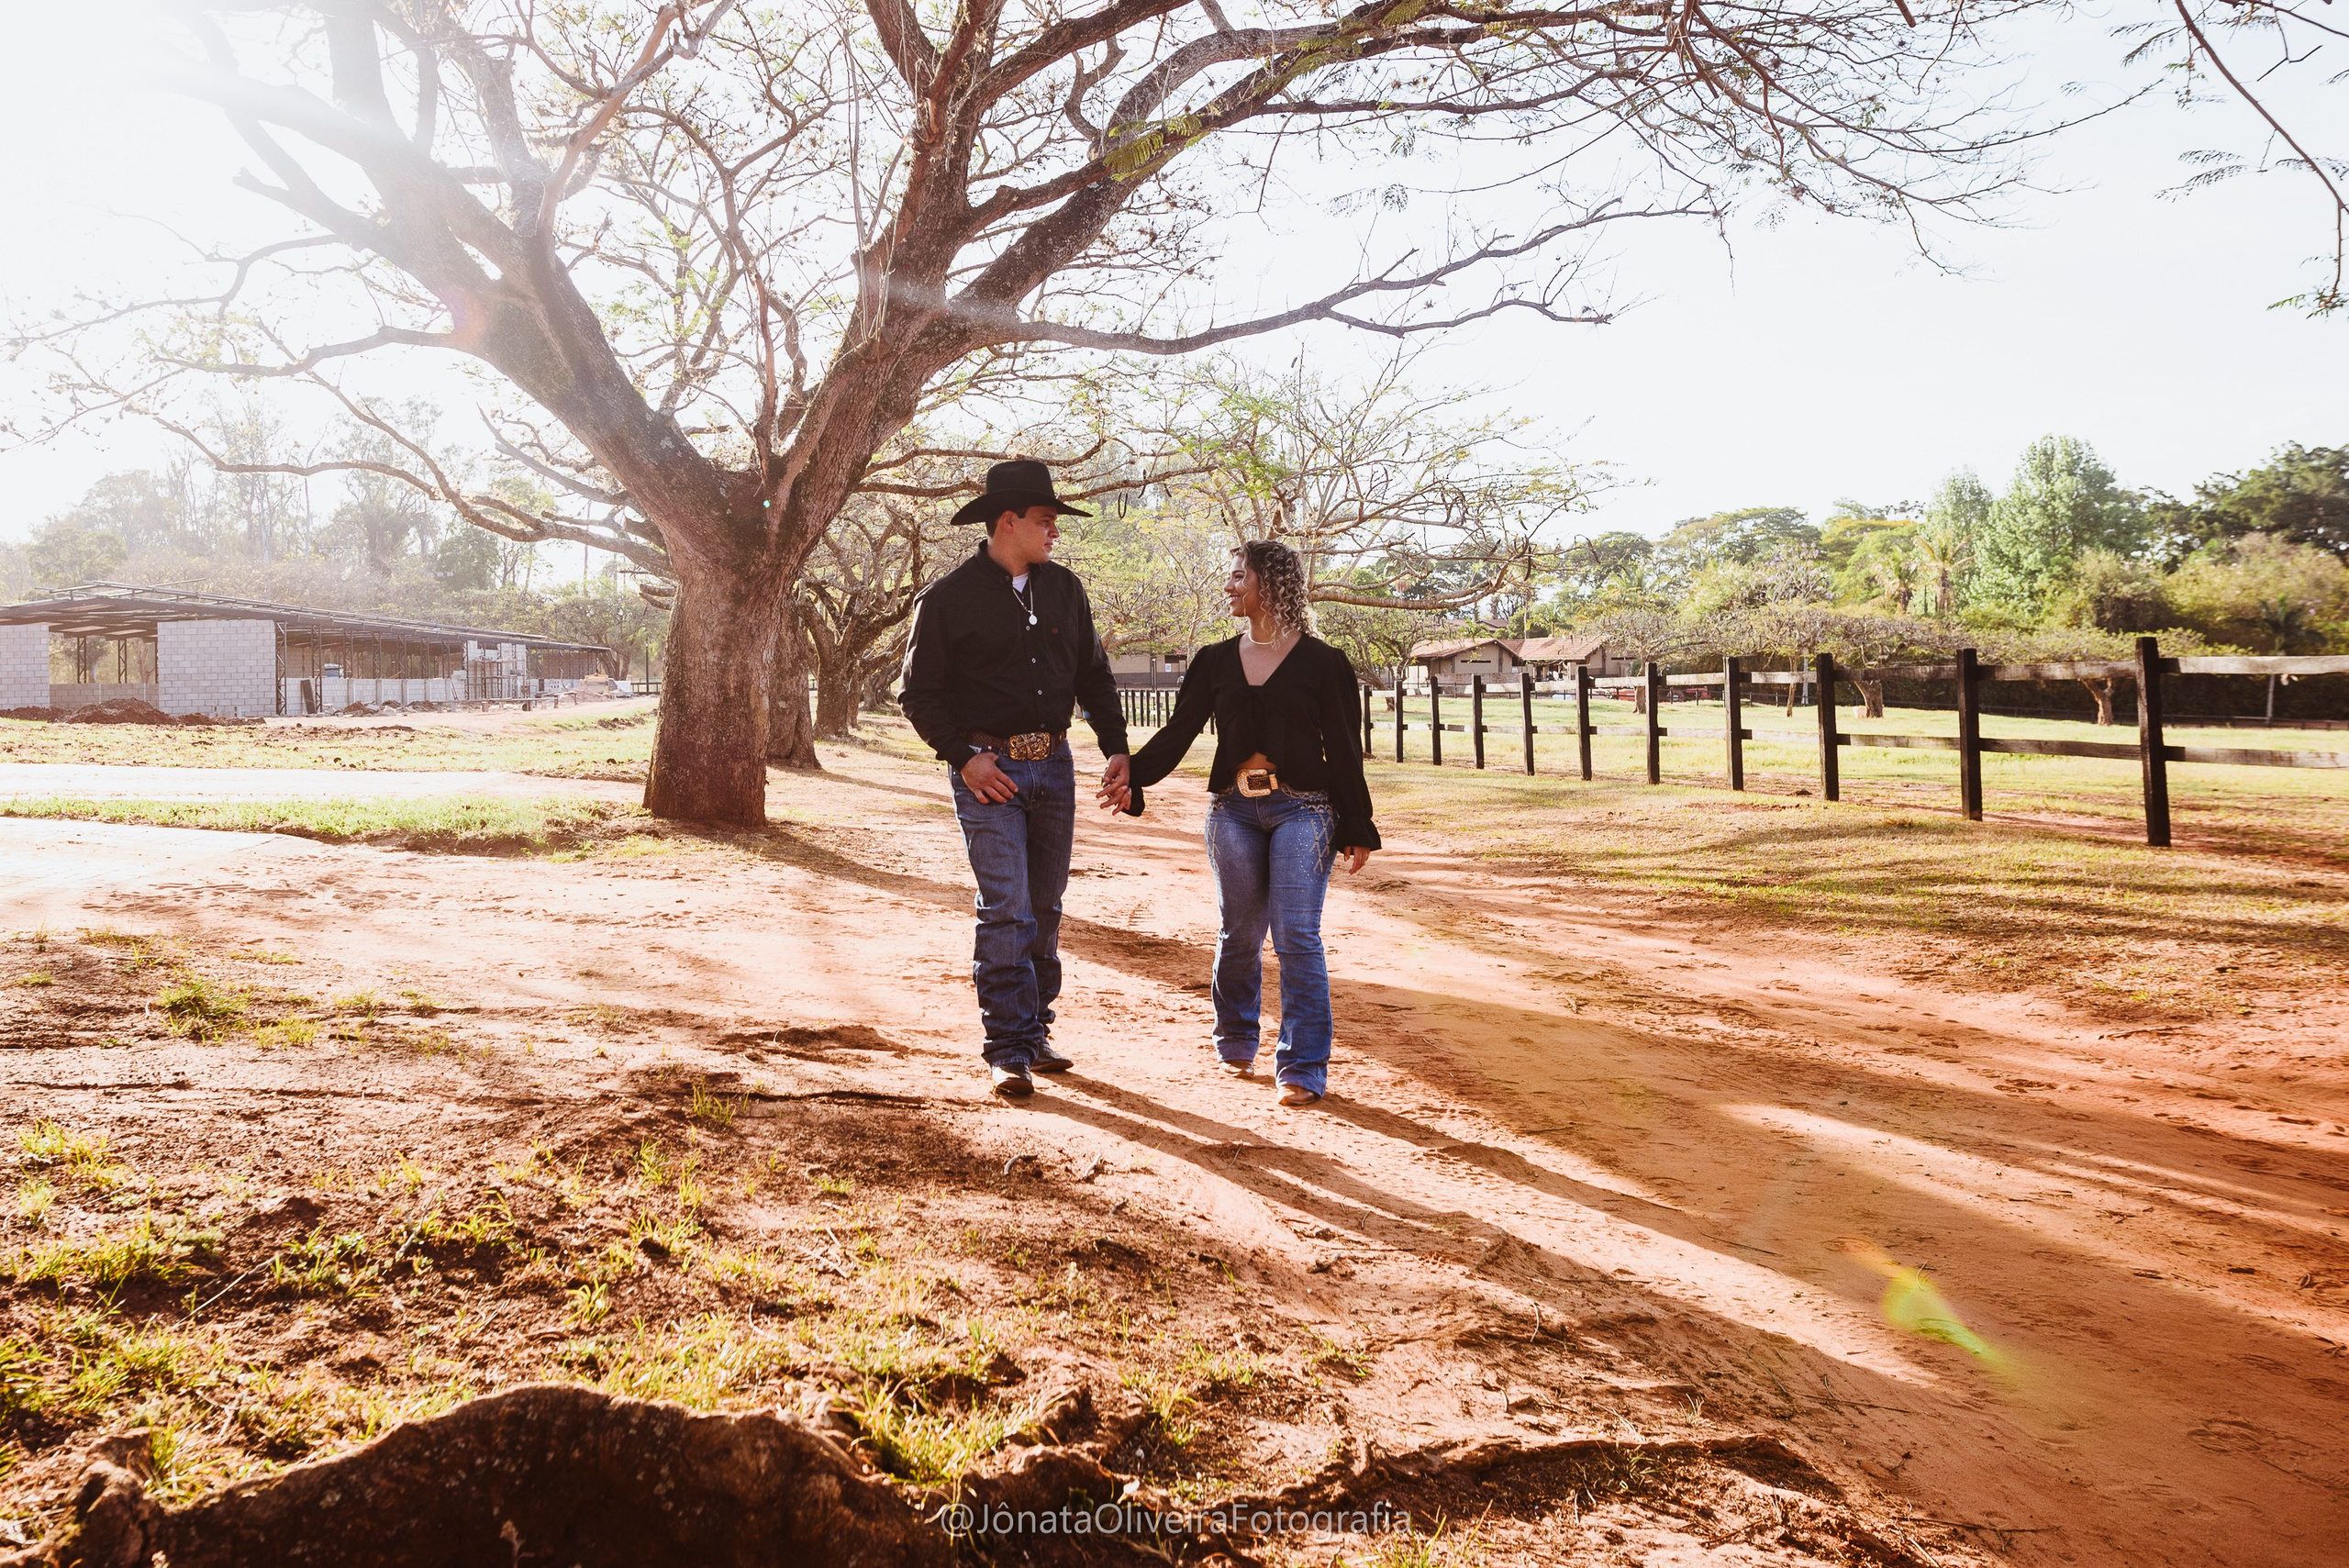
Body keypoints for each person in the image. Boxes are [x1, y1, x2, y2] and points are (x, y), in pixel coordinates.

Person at [900, 460, 1134, 1100]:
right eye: (1045, 520)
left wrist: (1117, 748)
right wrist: (963, 757)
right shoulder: (946, 600)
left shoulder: (1066, 591)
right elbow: (918, 695)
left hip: (1054, 767)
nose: (1054, 532)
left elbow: (1094, 677)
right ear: (1008, 522)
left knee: (1045, 907)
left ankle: (1033, 1032)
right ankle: (1006, 1048)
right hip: (989, 770)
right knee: (1005, 906)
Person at [1119, 539, 1377, 1107]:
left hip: (1304, 810)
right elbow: (1180, 730)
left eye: (1240, 577)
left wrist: (1357, 822)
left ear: (1271, 584)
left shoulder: (1324, 662)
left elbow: (1343, 748)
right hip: (1232, 811)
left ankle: (1303, 1064)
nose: (1230, 586)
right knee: (1239, 933)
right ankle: (1237, 1033)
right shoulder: (1213, 659)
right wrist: (1133, 775)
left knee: (1296, 936)